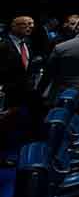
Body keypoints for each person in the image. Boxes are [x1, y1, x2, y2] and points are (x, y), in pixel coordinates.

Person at [0, 16, 42, 166]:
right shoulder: (3, 44)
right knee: (4, 125)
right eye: (25, 25)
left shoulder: (27, 43)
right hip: (7, 91)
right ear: (14, 26)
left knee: (15, 123)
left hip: (25, 89)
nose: (29, 27)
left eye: (31, 24)